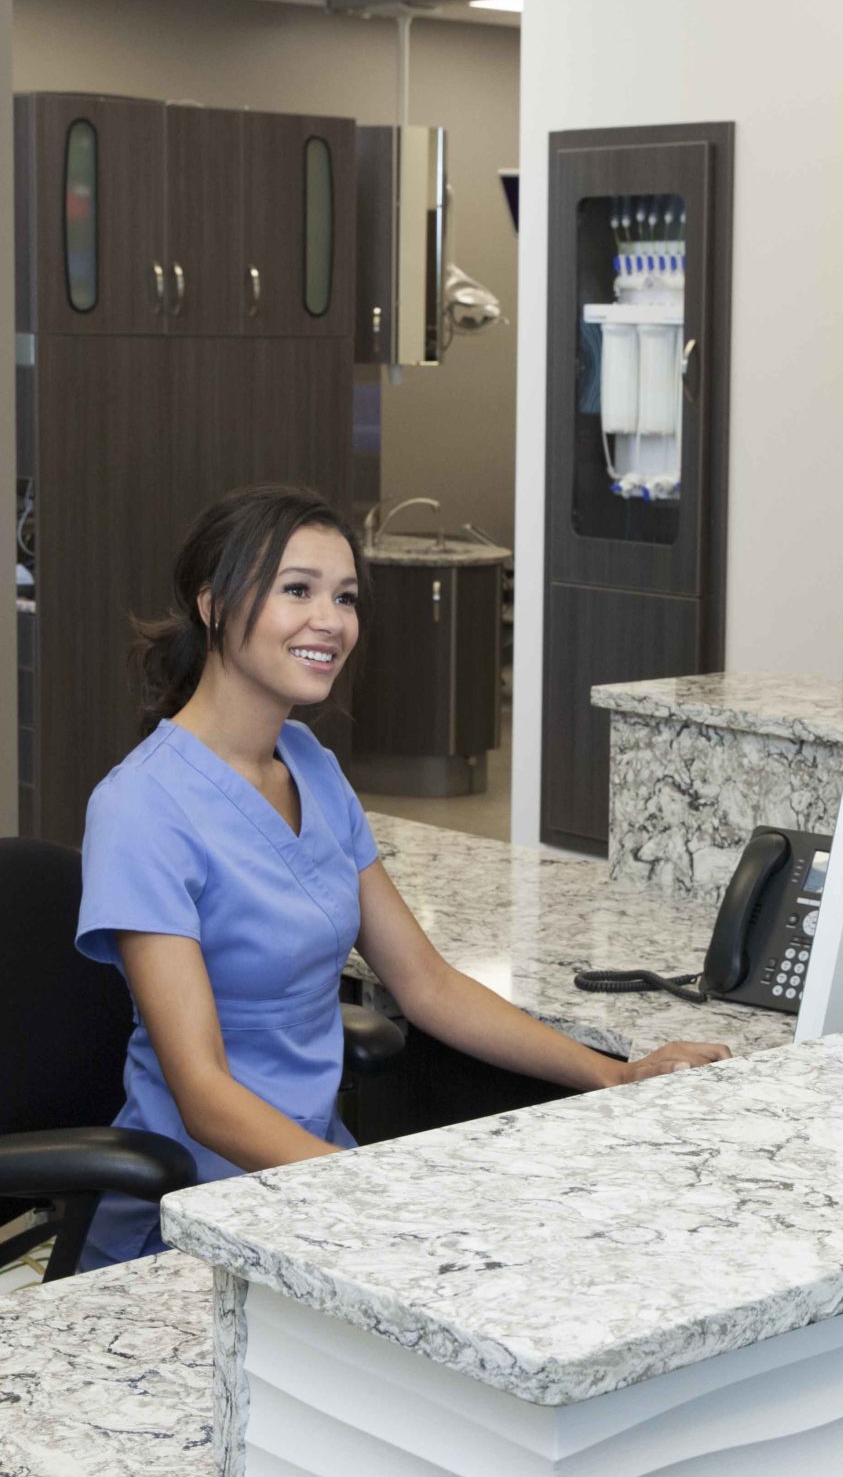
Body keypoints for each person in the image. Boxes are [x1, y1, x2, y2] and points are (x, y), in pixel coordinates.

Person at [77, 484, 727, 1265]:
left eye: (345, 596)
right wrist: (374, 1199)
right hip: (192, 1216)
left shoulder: (310, 766)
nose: (331, 620)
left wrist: (614, 1075)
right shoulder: (142, 807)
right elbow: (203, 1094)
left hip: (317, 1181)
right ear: (214, 604)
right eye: (297, 590)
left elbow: (425, 984)